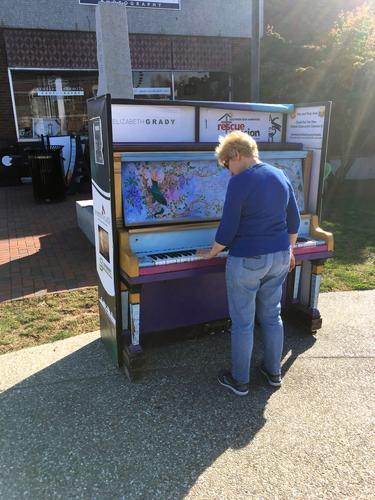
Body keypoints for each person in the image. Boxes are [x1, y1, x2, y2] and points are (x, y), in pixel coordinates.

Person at [197, 131, 300, 396]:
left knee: (243, 322)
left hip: (248, 259)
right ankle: (273, 372)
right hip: (279, 256)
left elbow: (228, 229)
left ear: (237, 155)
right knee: (272, 315)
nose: (227, 172)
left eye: (226, 165)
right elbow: (294, 222)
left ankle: (239, 380)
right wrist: (289, 250)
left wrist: (212, 252)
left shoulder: (240, 181)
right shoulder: (279, 174)